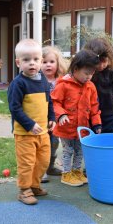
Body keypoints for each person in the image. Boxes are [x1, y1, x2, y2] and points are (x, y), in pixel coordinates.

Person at [8, 39, 56, 205]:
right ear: (18, 62)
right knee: (27, 163)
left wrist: (52, 118)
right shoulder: (18, 84)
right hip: (25, 133)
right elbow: (15, 108)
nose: (32, 63)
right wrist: (29, 124)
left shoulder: (43, 81)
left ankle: (34, 185)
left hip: (43, 132)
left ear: (41, 61)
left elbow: (49, 101)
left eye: (36, 59)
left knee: (43, 161)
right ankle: (24, 189)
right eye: (26, 60)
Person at [51, 49, 102, 187]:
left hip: (83, 128)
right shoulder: (63, 84)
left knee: (80, 150)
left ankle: (76, 171)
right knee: (68, 150)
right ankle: (66, 174)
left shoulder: (91, 87)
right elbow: (55, 102)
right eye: (86, 73)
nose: (89, 77)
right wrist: (61, 114)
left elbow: (94, 107)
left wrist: (97, 124)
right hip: (67, 127)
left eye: (92, 73)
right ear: (75, 69)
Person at [84, 38, 113, 133]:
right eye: (98, 62)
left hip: (109, 115)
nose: (101, 65)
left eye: (104, 61)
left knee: (109, 140)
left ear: (109, 58)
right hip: (91, 115)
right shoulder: (88, 74)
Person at [40, 46, 68, 183]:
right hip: (40, 117)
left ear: (58, 64)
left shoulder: (61, 81)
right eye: (44, 62)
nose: (48, 65)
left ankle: (50, 166)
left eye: (51, 62)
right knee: (42, 143)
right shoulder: (37, 79)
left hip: (55, 118)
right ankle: (41, 169)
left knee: (54, 142)